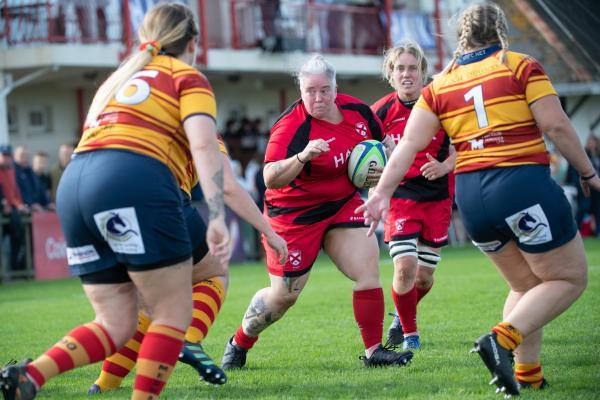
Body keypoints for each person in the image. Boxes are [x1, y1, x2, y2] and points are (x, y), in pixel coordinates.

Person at [357, 3, 599, 396]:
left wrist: (380, 193)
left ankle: (528, 375)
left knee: (526, 285)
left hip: (473, 200)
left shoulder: (440, 86)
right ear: (501, 32)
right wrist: (588, 172)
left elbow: (407, 148)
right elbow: (555, 124)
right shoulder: (521, 66)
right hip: (520, 184)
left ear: (461, 37)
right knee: (570, 277)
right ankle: (501, 340)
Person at [0, 4, 230, 400]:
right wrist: (220, 215)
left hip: (75, 183)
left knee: (116, 321)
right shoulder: (187, 78)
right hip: (135, 181)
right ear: (193, 43)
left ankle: (30, 375)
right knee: (173, 311)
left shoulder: (118, 79)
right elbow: (206, 146)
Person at [220, 54, 413, 370]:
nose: (318, 97)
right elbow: (269, 178)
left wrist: (384, 168)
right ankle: (239, 342)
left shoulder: (359, 113)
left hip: (341, 204)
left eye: (325, 90)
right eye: (311, 91)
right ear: (301, 90)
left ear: (335, 88)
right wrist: (302, 157)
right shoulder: (291, 126)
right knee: (284, 296)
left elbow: (382, 152)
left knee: (368, 267)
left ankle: (374, 351)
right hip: (294, 215)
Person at [87, 142, 288, 393]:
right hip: (162, 201)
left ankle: (104, 384)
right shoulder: (200, 126)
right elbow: (227, 186)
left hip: (101, 204)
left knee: (147, 301)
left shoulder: (142, 123)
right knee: (215, 274)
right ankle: (189, 340)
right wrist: (268, 230)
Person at [371, 41, 456, 350]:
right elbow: (365, 156)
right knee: (405, 267)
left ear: (423, 73)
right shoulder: (378, 112)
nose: (406, 74)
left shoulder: (441, 104)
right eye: (399, 68)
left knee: (423, 278)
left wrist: (446, 165)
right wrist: (376, 187)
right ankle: (410, 334)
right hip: (401, 197)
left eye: (412, 68)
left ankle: (401, 316)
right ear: (390, 74)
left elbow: (463, 140)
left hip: (438, 197)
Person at [13, 145, 50, 211]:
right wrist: (31, 204)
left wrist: (48, 203)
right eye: (22, 155)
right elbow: (17, 191)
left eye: (27, 155)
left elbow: (39, 189)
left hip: (36, 207)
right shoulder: (12, 172)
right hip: (23, 209)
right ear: (14, 156)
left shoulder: (30, 171)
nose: (25, 158)